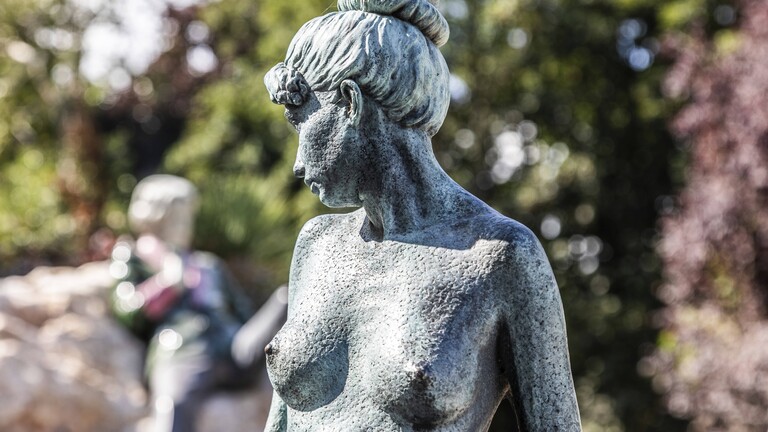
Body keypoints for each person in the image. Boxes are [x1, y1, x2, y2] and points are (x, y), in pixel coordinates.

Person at [262, 1, 582, 431]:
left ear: (350, 103)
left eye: (301, 123)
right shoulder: (316, 246)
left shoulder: (499, 256)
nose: (298, 162)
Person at [108, 174, 287, 432]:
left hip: (234, 346)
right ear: (155, 218)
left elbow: (244, 312)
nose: (185, 224)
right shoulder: (134, 257)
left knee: (285, 298)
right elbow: (127, 310)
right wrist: (168, 282)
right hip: (184, 349)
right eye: (177, 217)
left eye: (186, 216)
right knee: (174, 408)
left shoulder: (209, 265)